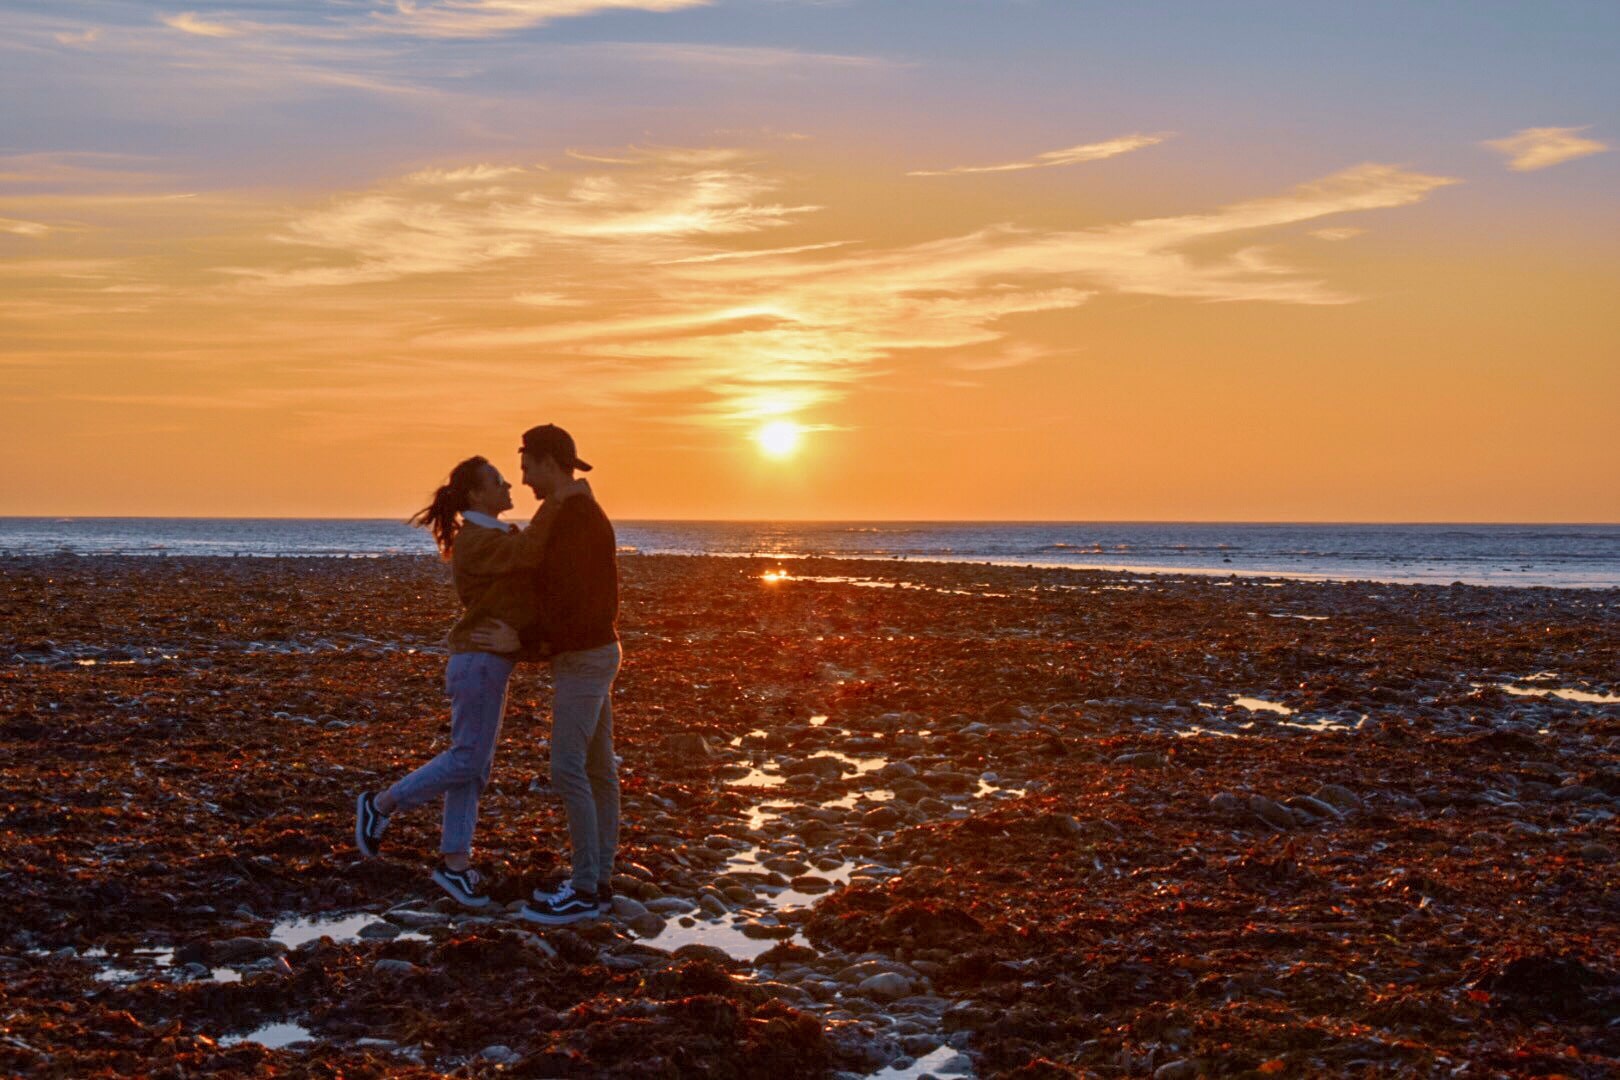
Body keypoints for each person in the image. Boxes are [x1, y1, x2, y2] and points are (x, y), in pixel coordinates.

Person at [353, 454, 588, 908]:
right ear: (478, 495)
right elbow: (529, 553)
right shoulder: (477, 540)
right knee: (466, 759)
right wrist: (559, 500)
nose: (510, 487)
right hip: (476, 660)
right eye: (498, 481)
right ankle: (381, 805)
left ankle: (455, 864)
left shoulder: (494, 534)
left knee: (473, 765)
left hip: (489, 662)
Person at [471, 424, 620, 925]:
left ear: (550, 463)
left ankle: (583, 889)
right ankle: (597, 883)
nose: (525, 480)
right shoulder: (575, 510)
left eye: (528, 468)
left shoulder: (575, 517)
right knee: (599, 771)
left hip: (584, 656)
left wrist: (527, 642)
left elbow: (574, 600)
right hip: (592, 652)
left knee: (568, 769)